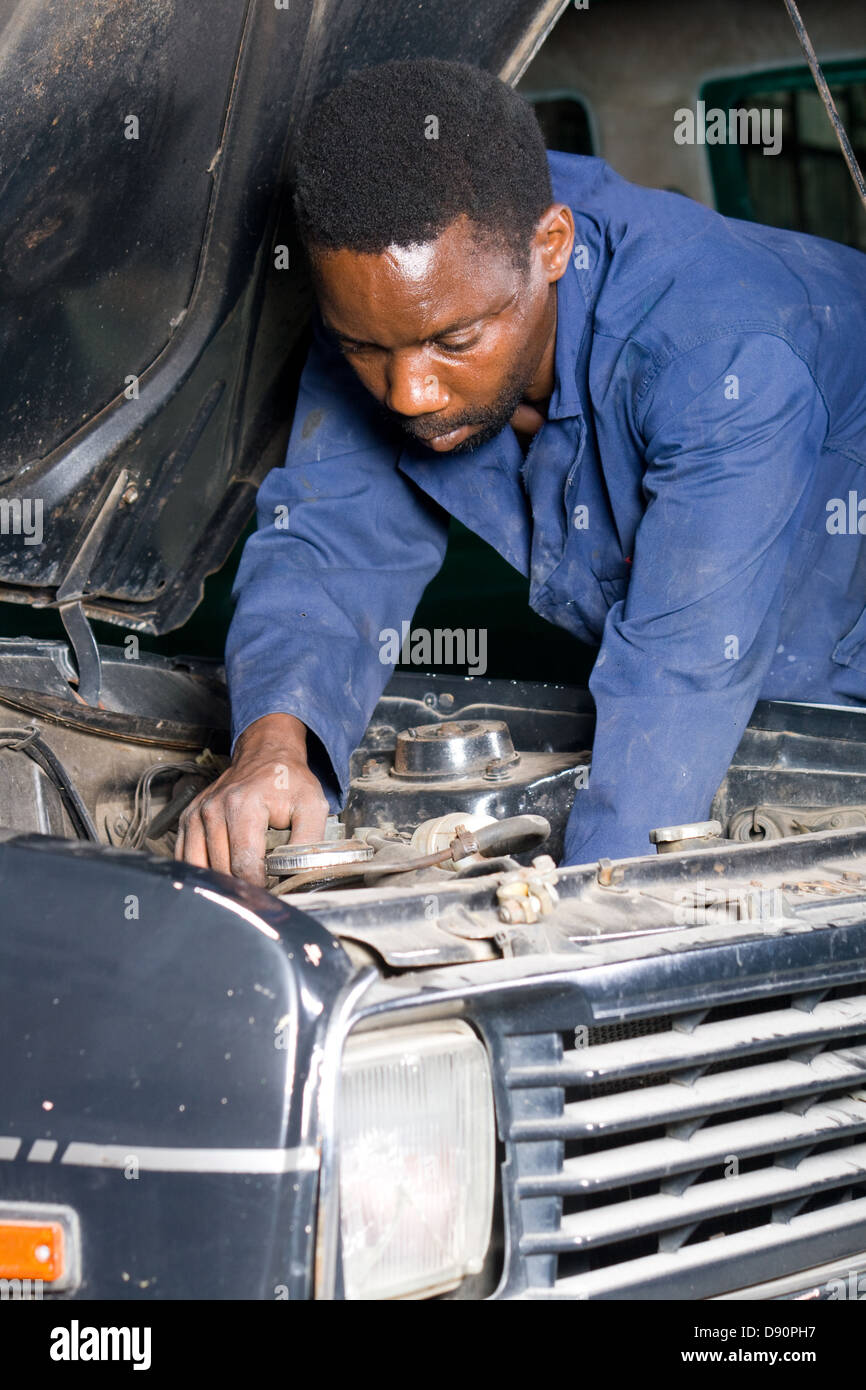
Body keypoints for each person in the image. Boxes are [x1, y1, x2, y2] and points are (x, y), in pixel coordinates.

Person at [175, 57, 866, 886]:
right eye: (365, 350)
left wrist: (587, 931)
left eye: (454, 343)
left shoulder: (721, 357)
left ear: (552, 246)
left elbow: (676, 677)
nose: (407, 391)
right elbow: (330, 544)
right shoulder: (399, 291)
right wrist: (275, 747)